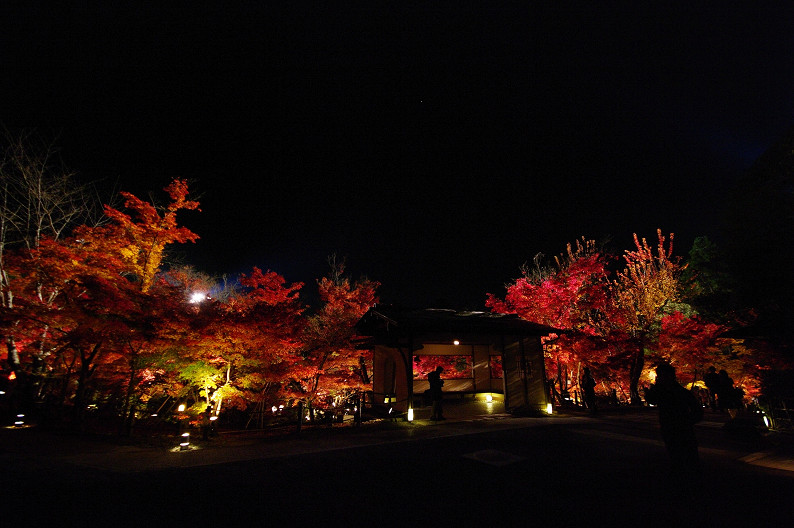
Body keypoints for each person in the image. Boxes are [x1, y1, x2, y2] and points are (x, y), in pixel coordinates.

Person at [644, 362, 703, 474]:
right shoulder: (681, 392)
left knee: (676, 454)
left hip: (670, 425)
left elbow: (651, 399)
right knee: (688, 455)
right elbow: (697, 411)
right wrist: (689, 421)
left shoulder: (663, 391)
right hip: (682, 426)